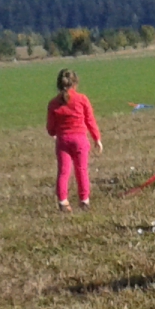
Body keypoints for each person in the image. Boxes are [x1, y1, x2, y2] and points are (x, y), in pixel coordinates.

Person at [46, 67, 102, 213]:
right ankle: (84, 201)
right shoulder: (82, 99)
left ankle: (63, 202)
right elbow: (90, 120)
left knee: (63, 172)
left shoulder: (53, 103)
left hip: (63, 141)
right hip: (80, 140)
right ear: (75, 83)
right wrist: (97, 138)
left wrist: (57, 131)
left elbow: (50, 129)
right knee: (81, 170)